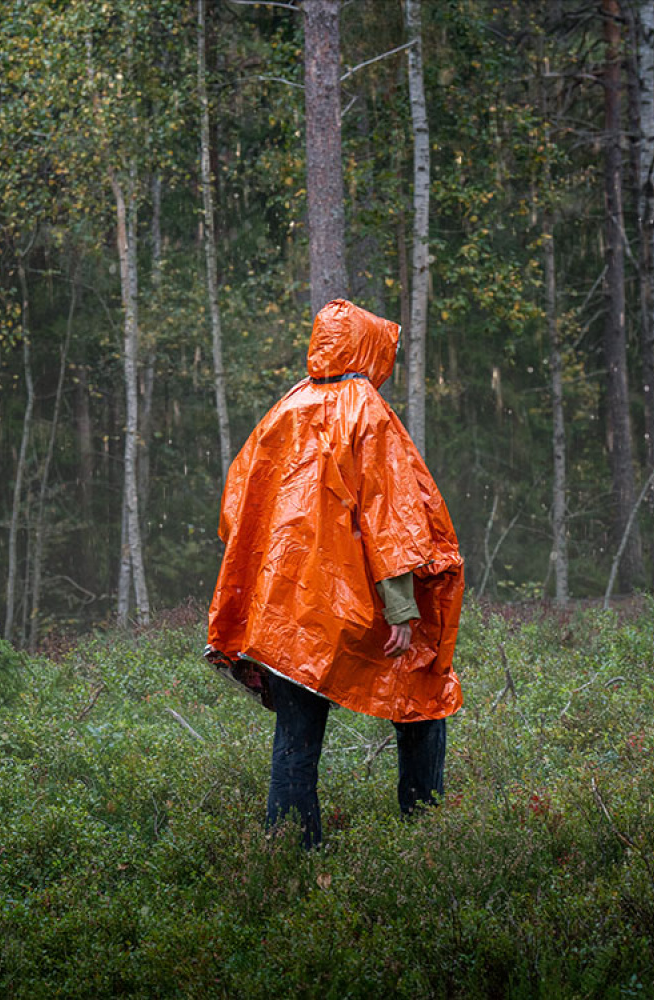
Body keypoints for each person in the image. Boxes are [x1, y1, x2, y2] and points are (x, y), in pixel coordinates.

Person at [204, 298, 464, 847]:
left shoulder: (285, 409)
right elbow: (390, 510)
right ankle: (428, 834)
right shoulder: (367, 412)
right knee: (422, 694)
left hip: (284, 608)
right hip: (353, 607)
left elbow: (239, 502)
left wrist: (260, 576)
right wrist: (401, 607)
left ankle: (290, 853)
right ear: (368, 348)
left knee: (297, 730)